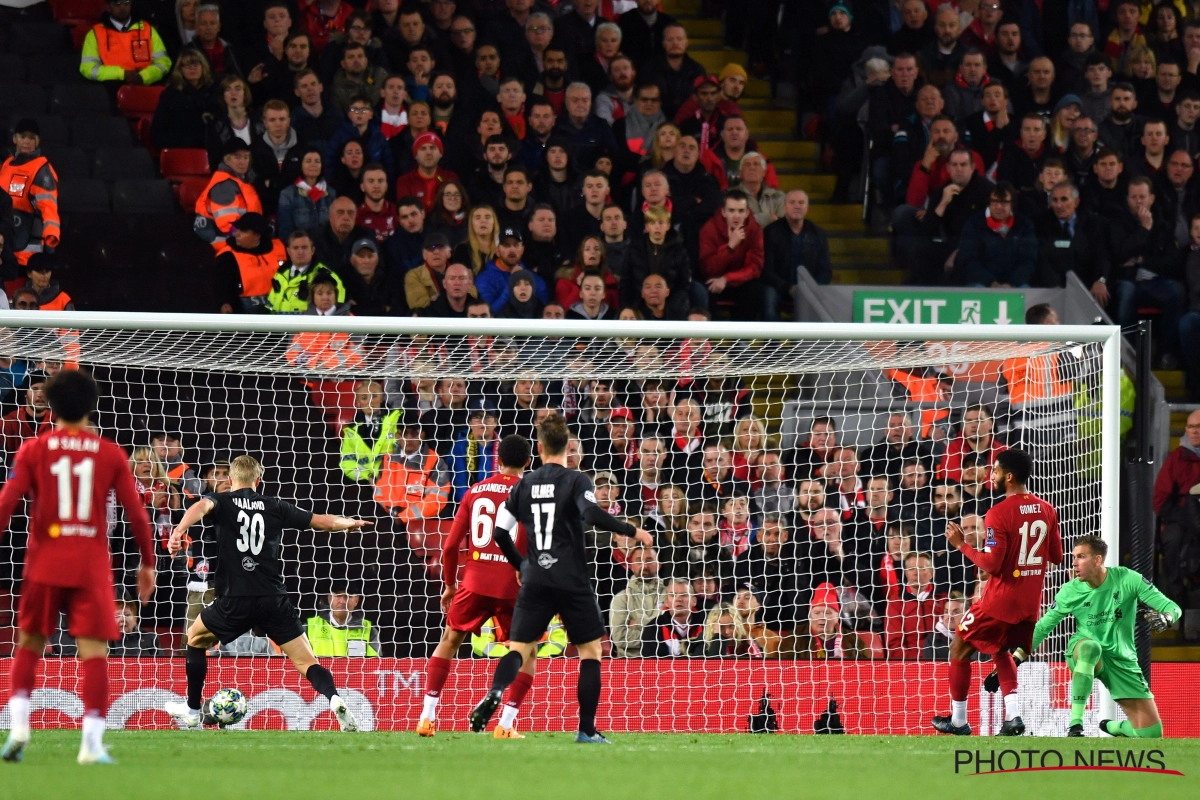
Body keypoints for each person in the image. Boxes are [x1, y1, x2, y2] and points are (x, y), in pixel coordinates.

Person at [0, 370, 156, 765]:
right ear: (91, 406)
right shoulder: (109, 453)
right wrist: (147, 562)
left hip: (44, 563)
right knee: (94, 654)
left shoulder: (34, 450)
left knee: (30, 644)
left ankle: (19, 725)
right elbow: (137, 516)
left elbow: (6, 504)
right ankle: (90, 744)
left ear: (51, 406)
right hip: (90, 567)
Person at [468, 413, 652, 743]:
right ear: (567, 446)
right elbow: (592, 515)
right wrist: (632, 530)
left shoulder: (526, 483)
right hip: (571, 579)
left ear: (538, 448)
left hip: (536, 577)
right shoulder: (577, 480)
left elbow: (499, 532)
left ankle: (495, 690)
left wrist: (522, 565)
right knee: (590, 652)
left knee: (519, 649)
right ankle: (586, 730)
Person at [163, 454, 369, 731]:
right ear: (258, 480)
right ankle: (334, 699)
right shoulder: (274, 506)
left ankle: (191, 710)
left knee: (195, 638)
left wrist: (179, 531)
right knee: (306, 661)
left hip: (235, 599)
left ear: (230, 479)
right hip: (273, 598)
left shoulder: (221, 501)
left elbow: (201, 505)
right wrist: (352, 523)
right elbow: (324, 522)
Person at [931, 448, 1063, 736]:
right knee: (1001, 651)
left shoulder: (998, 513)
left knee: (959, 646)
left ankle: (958, 721)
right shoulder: (1047, 509)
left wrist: (961, 545)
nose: (990, 475)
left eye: (996, 470)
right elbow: (1056, 556)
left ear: (1009, 476)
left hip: (999, 601)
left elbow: (991, 564)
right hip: (1029, 604)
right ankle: (1014, 717)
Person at [993, 535, 1179, 738]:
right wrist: (1016, 659)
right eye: (1074, 557)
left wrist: (1167, 617)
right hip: (1082, 650)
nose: (1074, 563)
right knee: (1091, 648)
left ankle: (1116, 728)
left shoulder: (1128, 579)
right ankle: (1075, 725)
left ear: (1098, 560)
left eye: (1081, 557)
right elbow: (1043, 627)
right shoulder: (1070, 590)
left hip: (1121, 658)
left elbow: (1172, 607)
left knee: (1151, 734)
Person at [418, 434, 535, 738]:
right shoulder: (530, 494)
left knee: (449, 640)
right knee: (527, 651)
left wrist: (449, 585)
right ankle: (506, 724)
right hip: (513, 585)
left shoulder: (475, 491)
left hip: (474, 580)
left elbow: (449, 547)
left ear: (497, 460)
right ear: (528, 462)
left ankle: (427, 719)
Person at [761, 189, 830, 318]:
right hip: (778, 286)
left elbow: (825, 271)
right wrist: (788, 288)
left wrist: (811, 288)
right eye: (792, 202)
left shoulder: (818, 234)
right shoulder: (770, 232)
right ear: (784, 207)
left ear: (807, 208)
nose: (797, 206)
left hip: (809, 289)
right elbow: (766, 271)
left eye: (801, 202)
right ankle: (772, 339)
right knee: (768, 297)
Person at [0, 120, 60, 268]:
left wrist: (51, 236)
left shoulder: (41, 169)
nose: (27, 141)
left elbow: (49, 206)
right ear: (15, 139)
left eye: (32, 138)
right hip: (6, 246)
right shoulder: (7, 165)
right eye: (23, 136)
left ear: (37, 141)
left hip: (26, 252)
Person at [698, 190, 764, 320]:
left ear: (747, 213)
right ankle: (710, 338)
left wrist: (727, 279)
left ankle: (742, 339)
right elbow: (708, 269)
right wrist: (730, 247)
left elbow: (754, 268)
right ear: (723, 212)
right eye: (732, 210)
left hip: (739, 281)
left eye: (740, 211)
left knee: (754, 289)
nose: (736, 216)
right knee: (707, 288)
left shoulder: (755, 230)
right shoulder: (709, 229)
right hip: (714, 278)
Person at [956, 182, 1037, 287]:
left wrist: (1012, 283)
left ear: (1012, 203)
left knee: (1026, 291)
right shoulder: (974, 223)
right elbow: (969, 259)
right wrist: (990, 282)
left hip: (1015, 284)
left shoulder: (1024, 224)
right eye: (994, 202)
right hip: (982, 283)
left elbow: (1029, 259)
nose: (999, 206)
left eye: (1004, 202)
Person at [80, 0, 171, 86]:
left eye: (126, 2)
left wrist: (144, 76)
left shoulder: (147, 29)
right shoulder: (95, 33)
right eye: (117, 3)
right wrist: (121, 74)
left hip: (146, 86)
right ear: (108, 7)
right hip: (109, 89)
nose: (123, 7)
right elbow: (88, 68)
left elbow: (164, 63)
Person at [194, 140, 263, 248]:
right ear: (227, 159)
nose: (243, 162)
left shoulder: (240, 181)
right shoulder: (224, 184)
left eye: (246, 157)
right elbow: (227, 226)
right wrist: (247, 240)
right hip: (224, 243)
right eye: (237, 157)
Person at [339, 379, 400, 483]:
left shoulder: (397, 419)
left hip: (395, 479)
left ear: (381, 398)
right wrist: (368, 476)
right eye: (364, 398)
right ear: (358, 402)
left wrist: (385, 475)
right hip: (363, 484)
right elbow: (347, 463)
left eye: (374, 396)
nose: (370, 401)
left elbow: (404, 453)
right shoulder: (350, 431)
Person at [152, 48, 214, 149]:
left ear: (203, 67)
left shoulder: (212, 92)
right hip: (180, 148)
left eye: (196, 64)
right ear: (180, 70)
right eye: (187, 65)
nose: (192, 68)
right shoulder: (170, 95)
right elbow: (158, 132)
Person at [305, 584, 381, 657]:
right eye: (338, 596)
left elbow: (374, 666)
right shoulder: (309, 627)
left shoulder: (369, 630)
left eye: (349, 596)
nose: (343, 601)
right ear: (330, 599)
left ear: (356, 601)